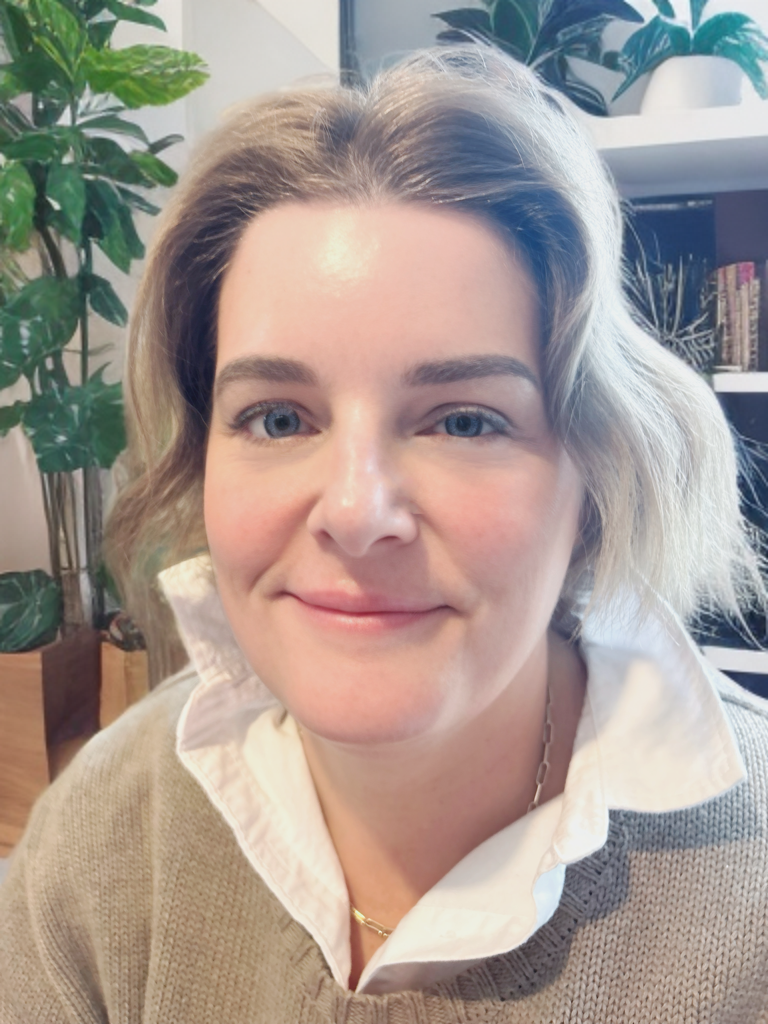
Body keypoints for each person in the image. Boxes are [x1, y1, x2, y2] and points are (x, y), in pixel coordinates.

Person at [1, 43, 767, 1023]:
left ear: (594, 475)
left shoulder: (746, 896)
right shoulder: (101, 840)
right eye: (278, 418)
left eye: (462, 419)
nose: (358, 513)